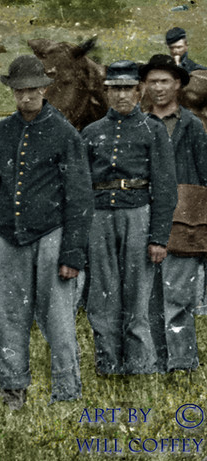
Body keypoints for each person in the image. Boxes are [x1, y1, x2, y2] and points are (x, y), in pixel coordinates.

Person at [0, 55, 93, 410]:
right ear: (12, 91)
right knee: (10, 319)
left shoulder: (64, 133)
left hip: (52, 236)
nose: (25, 96)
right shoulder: (0, 133)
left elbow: (80, 198)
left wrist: (72, 254)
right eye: (18, 90)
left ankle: (67, 393)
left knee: (58, 320)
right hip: (9, 237)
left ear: (44, 88)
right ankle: (14, 393)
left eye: (31, 89)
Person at [81, 60, 177, 375]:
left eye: (127, 89)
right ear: (106, 93)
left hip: (139, 216)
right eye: (114, 89)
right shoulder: (92, 133)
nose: (121, 96)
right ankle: (108, 363)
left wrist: (159, 237)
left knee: (139, 293)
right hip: (100, 218)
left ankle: (140, 364)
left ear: (139, 91)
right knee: (103, 293)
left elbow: (165, 188)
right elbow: (82, 186)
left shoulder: (153, 130)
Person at [141, 54, 207, 372]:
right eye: (152, 81)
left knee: (177, 298)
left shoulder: (192, 127)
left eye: (165, 81)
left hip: (184, 223)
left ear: (178, 84)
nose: (158, 87)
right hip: (145, 221)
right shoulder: (138, 124)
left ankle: (181, 363)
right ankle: (156, 360)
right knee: (150, 298)